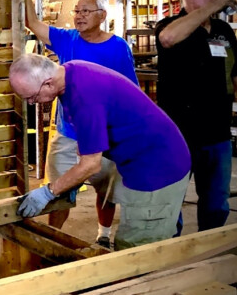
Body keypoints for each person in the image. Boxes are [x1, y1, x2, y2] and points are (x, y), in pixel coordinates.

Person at [10, 54, 191, 250]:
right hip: (145, 158)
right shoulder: (71, 73)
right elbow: (87, 142)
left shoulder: (84, 97)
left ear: (47, 83)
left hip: (159, 167)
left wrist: (48, 192)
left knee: (137, 247)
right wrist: (70, 182)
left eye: (31, 97)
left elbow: (91, 164)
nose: (30, 103)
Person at [14, 0, 138, 248]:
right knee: (58, 191)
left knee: (106, 189)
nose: (79, 16)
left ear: (102, 16)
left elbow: (131, 91)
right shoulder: (66, 39)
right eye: (77, 11)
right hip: (69, 133)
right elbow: (31, 22)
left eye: (86, 11)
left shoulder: (118, 48)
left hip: (107, 135)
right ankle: (51, 240)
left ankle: (103, 235)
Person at [156, 0, 237, 233]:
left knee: (216, 203)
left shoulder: (224, 30)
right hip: (180, 132)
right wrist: (213, 6)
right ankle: (171, 253)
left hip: (218, 132)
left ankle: (208, 254)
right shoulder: (169, 26)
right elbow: (168, 39)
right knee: (171, 199)